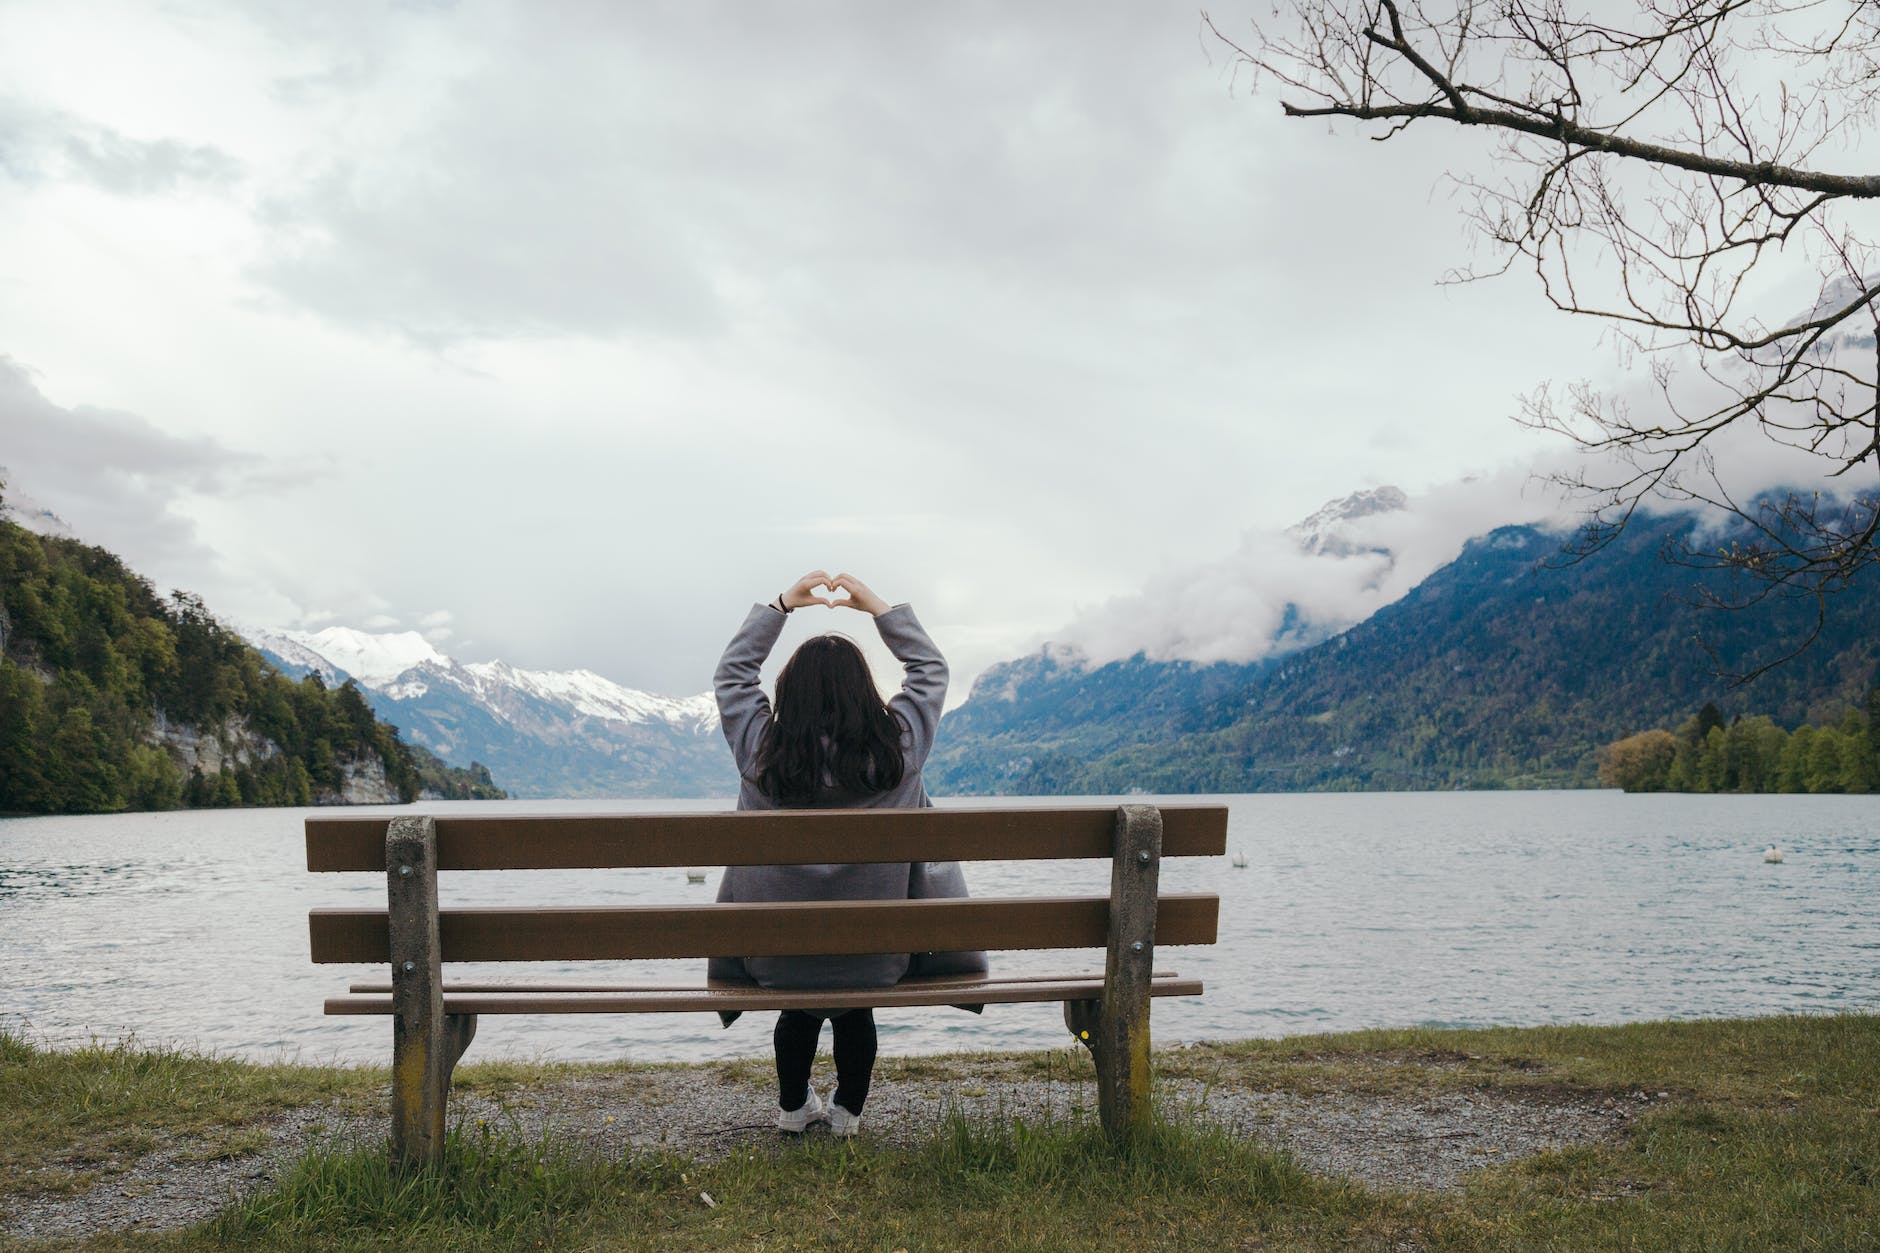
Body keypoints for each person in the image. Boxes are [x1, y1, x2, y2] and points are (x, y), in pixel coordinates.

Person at [708, 570, 984, 1137]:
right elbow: (931, 671)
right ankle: (847, 1114)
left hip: (776, 959)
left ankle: (792, 1110)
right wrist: (875, 607)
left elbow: (733, 676)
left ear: (789, 693)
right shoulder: (900, 750)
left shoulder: (761, 753)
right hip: (877, 959)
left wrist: (782, 605)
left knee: (798, 1005)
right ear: (865, 690)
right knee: (856, 1006)